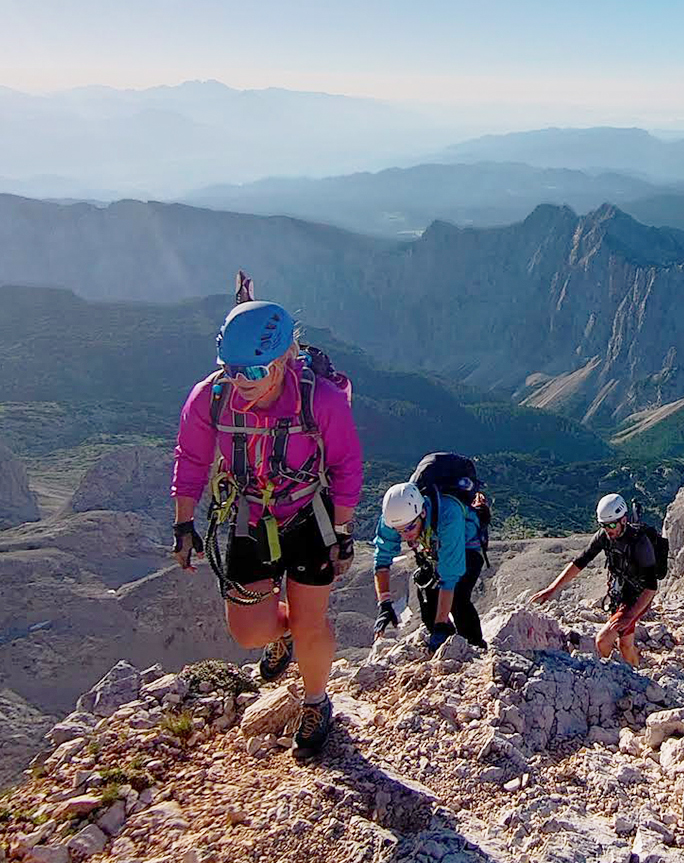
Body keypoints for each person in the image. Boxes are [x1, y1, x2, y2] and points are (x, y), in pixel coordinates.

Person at [171, 298, 363, 755]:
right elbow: (192, 458)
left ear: (284, 362)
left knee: (309, 619)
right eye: (231, 369)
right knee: (249, 632)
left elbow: (346, 466)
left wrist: (342, 532)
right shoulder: (210, 398)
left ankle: (316, 701)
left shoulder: (323, 400)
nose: (239, 381)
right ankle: (283, 636)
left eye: (253, 372)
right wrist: (183, 523)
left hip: (307, 518)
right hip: (248, 518)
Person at [530, 493, 657, 667]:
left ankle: (617, 675)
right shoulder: (604, 536)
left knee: (603, 641)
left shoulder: (640, 543)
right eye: (603, 525)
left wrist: (630, 615)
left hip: (636, 598)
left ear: (624, 520)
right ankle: (637, 674)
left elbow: (651, 587)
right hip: (619, 595)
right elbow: (580, 562)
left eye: (612, 524)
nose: (608, 530)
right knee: (625, 645)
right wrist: (552, 589)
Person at [372, 482, 488, 651]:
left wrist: (441, 625)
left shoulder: (449, 514)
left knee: (458, 598)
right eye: (399, 531)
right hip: (434, 547)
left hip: (466, 545)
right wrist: (384, 603)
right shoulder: (393, 518)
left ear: (423, 512)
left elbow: (449, 578)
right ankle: (444, 646)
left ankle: (474, 647)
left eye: (410, 527)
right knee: (427, 600)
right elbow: (382, 559)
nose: (406, 535)